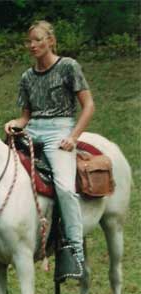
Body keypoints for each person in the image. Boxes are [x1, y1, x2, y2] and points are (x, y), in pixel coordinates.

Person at [5, 20, 95, 275]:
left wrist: (74, 137)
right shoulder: (27, 76)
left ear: (51, 41)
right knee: (3, 170)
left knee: (65, 187)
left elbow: (88, 106)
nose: (32, 45)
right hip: (34, 129)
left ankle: (74, 249)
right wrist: (16, 123)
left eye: (38, 39)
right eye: (29, 41)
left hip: (60, 129)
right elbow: (25, 115)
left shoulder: (68, 67)